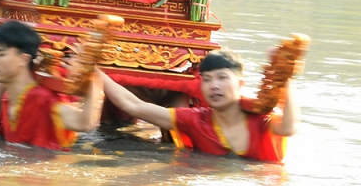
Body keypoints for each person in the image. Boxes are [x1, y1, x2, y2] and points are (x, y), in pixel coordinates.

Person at [98, 48, 298, 162]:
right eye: (207, 79)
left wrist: (286, 78)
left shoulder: (263, 119)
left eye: (222, 78)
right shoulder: (195, 120)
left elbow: (289, 127)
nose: (214, 86)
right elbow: (133, 106)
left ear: (240, 84)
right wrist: (94, 71)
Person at [0, 20, 104, 150]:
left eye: (1, 54)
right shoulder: (7, 97)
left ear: (23, 59)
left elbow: (83, 123)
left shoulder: (41, 99)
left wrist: (91, 74)